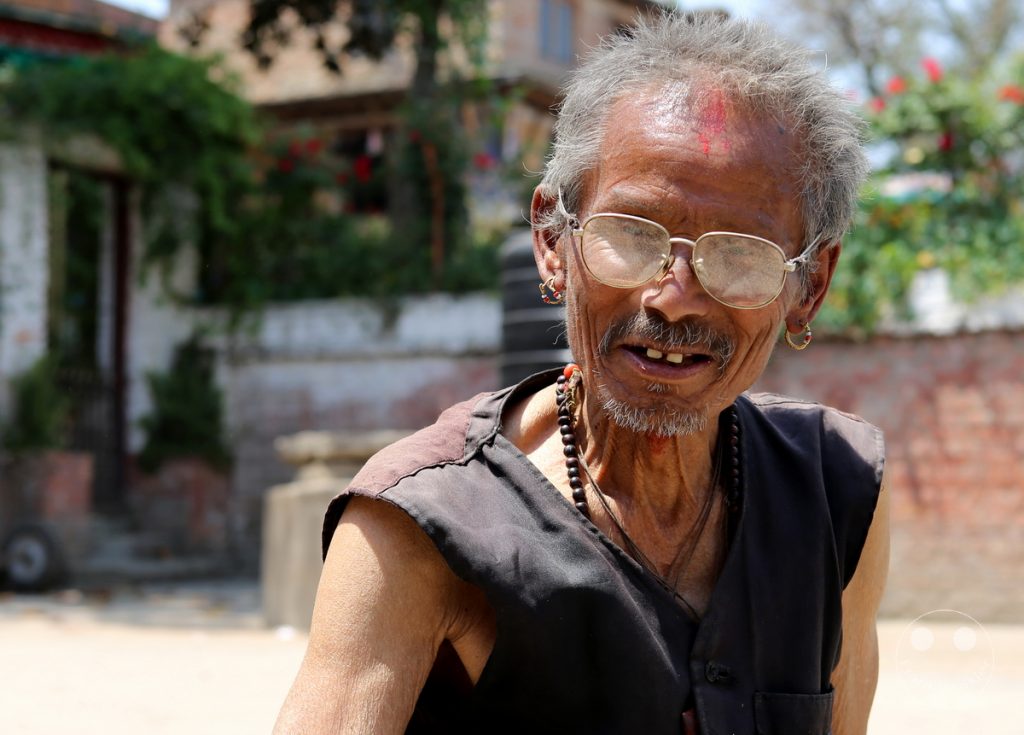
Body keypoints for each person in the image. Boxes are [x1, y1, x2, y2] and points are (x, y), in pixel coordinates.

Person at [275, 11, 889, 735]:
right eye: (631, 235)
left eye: (738, 254)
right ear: (552, 244)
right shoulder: (418, 526)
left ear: (809, 285)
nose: (672, 294)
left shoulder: (833, 490)